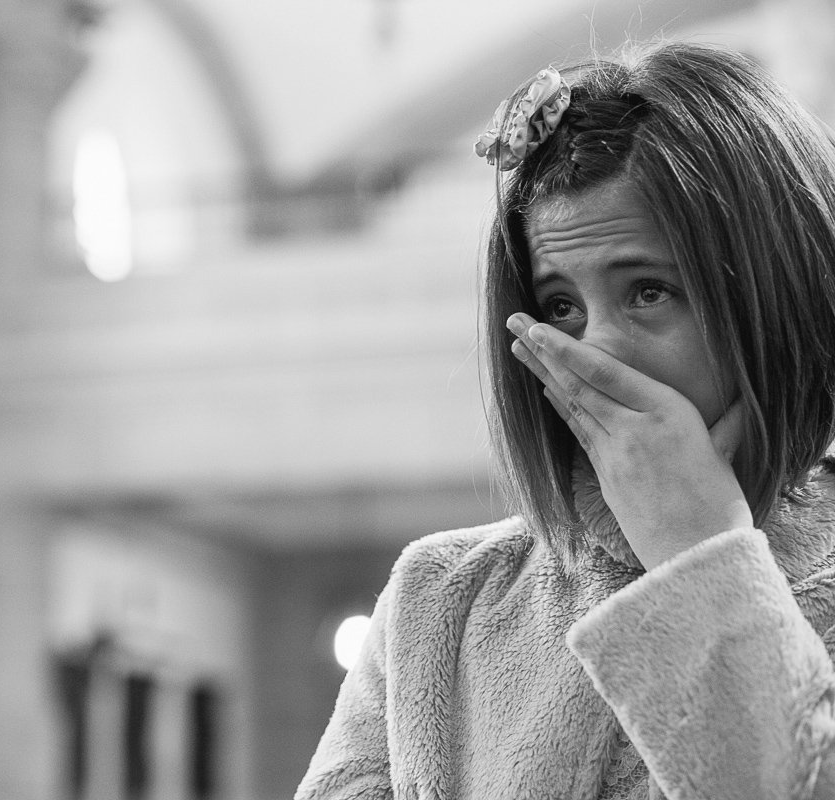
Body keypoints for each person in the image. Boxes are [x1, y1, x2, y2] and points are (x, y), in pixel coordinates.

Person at [294, 41, 835, 800]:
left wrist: (699, 553)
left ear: (777, 294)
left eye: (649, 289)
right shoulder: (442, 597)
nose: (594, 347)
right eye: (560, 306)